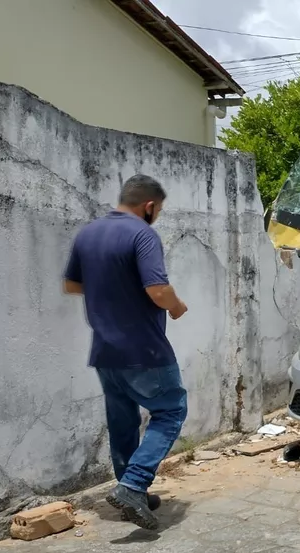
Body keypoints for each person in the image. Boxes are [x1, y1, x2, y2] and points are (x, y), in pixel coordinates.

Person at [62, 174, 188, 530]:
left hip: (104, 350)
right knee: (171, 410)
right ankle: (134, 484)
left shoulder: (88, 233)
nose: (157, 216)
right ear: (149, 206)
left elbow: (72, 284)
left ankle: (129, 488)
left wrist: (109, 288)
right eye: (158, 210)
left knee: (123, 422)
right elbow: (158, 289)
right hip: (143, 348)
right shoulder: (142, 233)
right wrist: (177, 307)